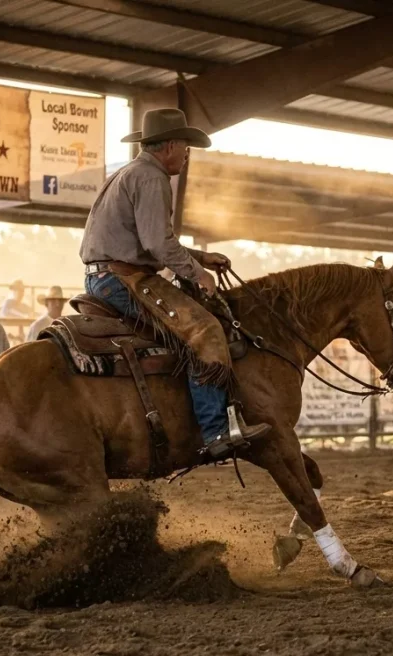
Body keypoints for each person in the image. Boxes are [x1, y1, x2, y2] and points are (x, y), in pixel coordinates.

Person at [80, 107, 269, 459]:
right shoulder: (152, 178)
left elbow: (150, 240)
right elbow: (157, 244)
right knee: (205, 329)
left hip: (105, 275)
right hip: (124, 279)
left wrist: (198, 256)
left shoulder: (129, 173)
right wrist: (198, 273)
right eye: (185, 147)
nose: (187, 155)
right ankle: (215, 431)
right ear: (169, 146)